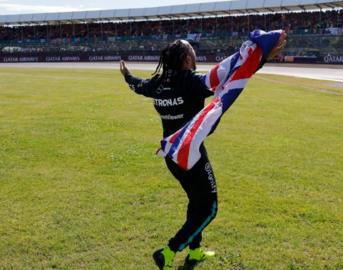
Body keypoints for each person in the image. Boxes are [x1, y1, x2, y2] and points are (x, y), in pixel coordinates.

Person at [120, 31, 286, 270]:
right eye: (192, 50)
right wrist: (258, 54)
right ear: (187, 59)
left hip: (171, 156)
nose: (195, 53)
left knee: (195, 201)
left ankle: (195, 251)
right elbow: (228, 73)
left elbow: (138, 85)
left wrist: (126, 75)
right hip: (191, 156)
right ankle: (168, 252)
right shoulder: (192, 82)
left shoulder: (157, 84)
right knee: (209, 207)